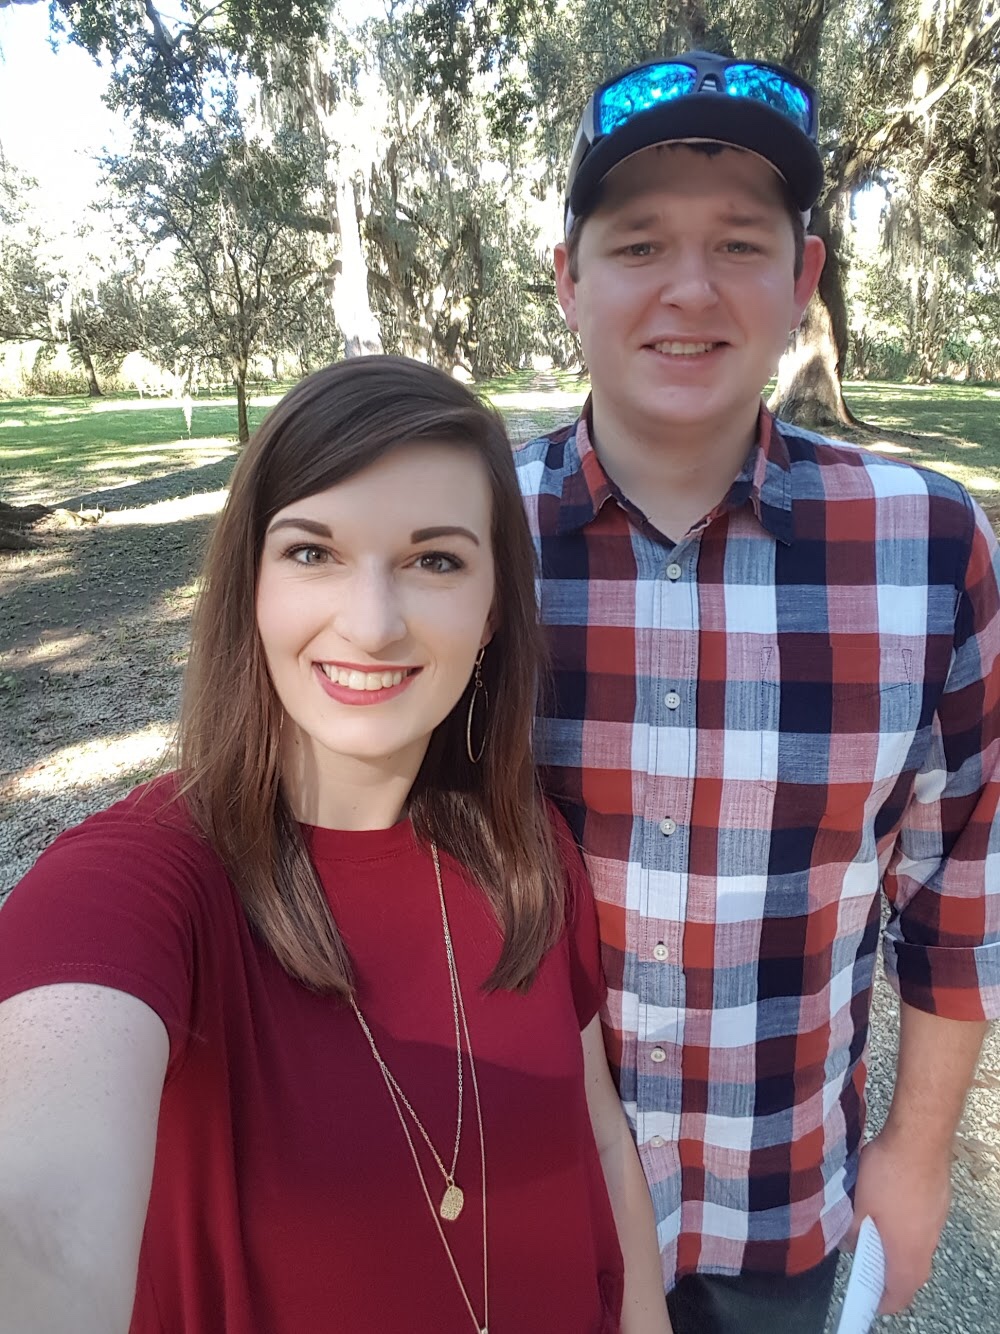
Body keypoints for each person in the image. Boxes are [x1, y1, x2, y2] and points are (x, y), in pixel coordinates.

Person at [0, 356, 671, 1334]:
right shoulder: (138, 884)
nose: (371, 623)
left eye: (435, 561)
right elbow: (40, 1228)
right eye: (313, 552)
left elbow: (600, 1139)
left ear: (493, 610)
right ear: (251, 584)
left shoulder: (526, 848)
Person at [515, 50, 1000, 1334]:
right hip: (513, 1202)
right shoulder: (459, 542)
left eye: (739, 243)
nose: (690, 287)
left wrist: (917, 1155)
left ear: (802, 279)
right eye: (638, 244)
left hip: (781, 1208)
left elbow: (958, 888)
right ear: (568, 281)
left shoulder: (929, 547)